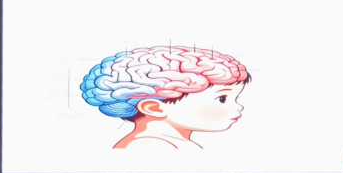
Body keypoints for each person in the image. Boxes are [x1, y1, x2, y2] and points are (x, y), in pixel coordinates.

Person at [80, 46, 250, 150]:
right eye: (222, 98)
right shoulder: (145, 147)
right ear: (154, 108)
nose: (239, 107)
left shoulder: (172, 144)